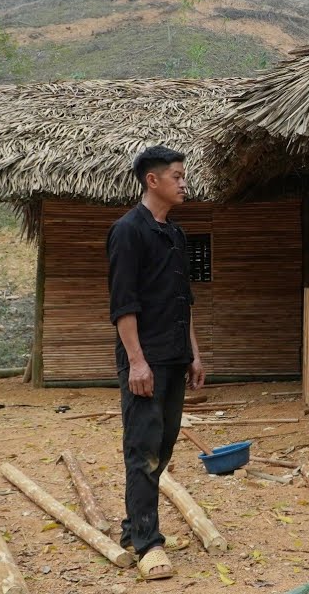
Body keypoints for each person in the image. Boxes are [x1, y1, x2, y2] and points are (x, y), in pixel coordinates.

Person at [106, 145, 207, 581]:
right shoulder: (128, 231)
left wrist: (194, 352)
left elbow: (185, 301)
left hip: (173, 356)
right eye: (178, 176)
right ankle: (148, 542)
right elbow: (123, 304)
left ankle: (133, 526)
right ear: (153, 180)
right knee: (142, 449)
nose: (185, 183)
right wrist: (137, 363)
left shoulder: (176, 234)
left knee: (162, 447)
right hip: (144, 360)